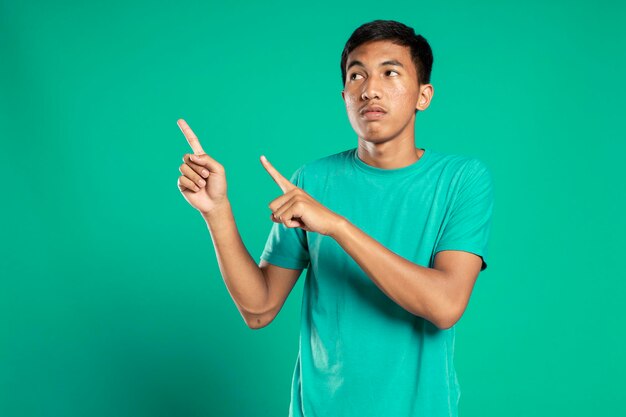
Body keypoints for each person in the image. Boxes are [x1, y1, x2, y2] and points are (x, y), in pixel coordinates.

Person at [176, 19, 494, 417]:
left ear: (423, 95)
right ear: (344, 94)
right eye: (356, 75)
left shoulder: (461, 179)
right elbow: (258, 310)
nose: (370, 89)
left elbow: (445, 305)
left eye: (390, 72)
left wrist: (337, 227)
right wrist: (216, 211)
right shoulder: (312, 181)